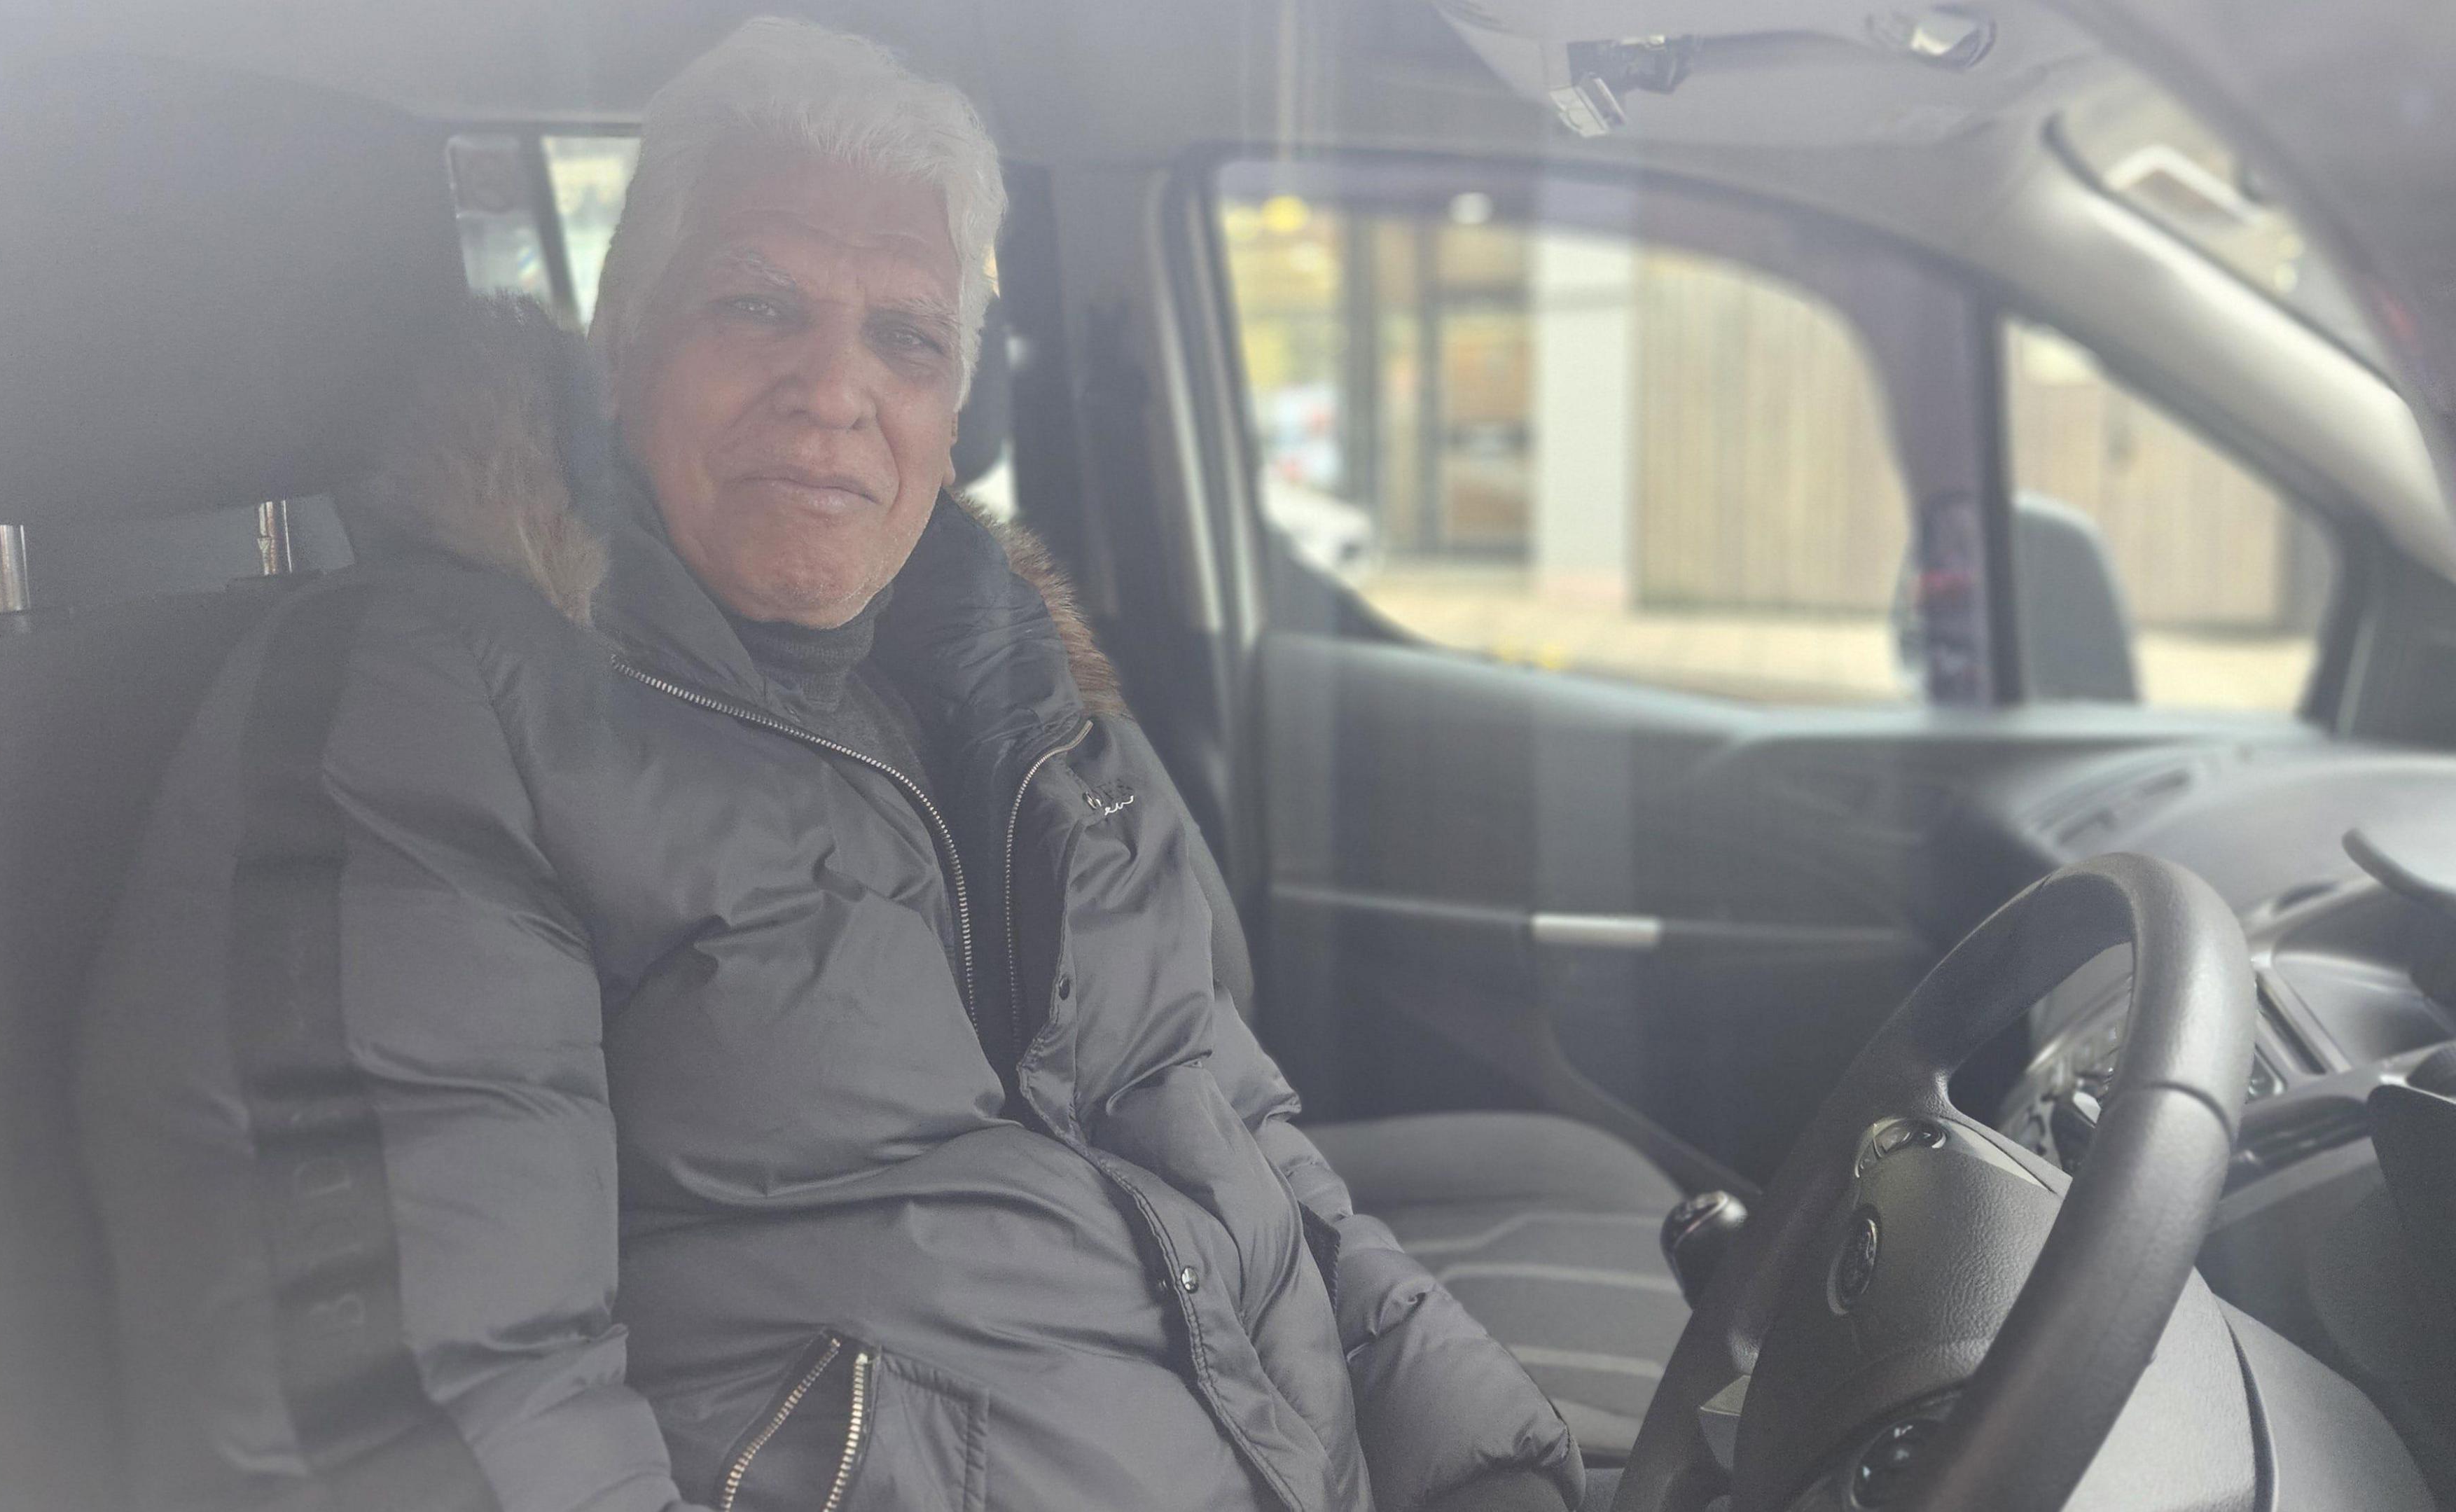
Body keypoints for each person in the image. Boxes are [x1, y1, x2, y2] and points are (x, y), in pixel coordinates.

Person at [79, 18, 1597, 1511]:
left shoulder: (1031, 709)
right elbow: (430, 1412)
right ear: (623, 343)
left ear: (951, 414)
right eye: (757, 305)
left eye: (906, 335)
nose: (834, 386)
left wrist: (1484, 1464)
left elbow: (1241, 1148)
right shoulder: (431, 711)